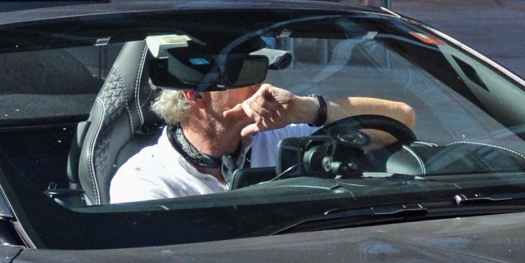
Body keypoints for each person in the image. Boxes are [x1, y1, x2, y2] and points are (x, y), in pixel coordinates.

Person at [110, 57, 413, 203]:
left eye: (260, 70)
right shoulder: (144, 182)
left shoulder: (283, 137)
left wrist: (310, 109)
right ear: (195, 94)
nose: (262, 84)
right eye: (243, 74)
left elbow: (401, 120)